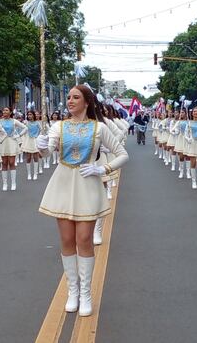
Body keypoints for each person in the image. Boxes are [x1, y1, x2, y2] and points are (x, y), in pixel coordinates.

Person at [35, 85, 129, 317]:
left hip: (87, 183)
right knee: (67, 240)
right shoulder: (59, 126)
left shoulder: (99, 128)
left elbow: (123, 154)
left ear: (87, 102)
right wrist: (41, 147)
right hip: (64, 183)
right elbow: (48, 151)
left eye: (75, 97)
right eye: (68, 97)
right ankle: (73, 292)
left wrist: (101, 168)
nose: (70, 101)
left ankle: (86, 294)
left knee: (84, 238)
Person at [0, 106, 27, 191]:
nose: (5, 112)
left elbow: (25, 127)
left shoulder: (14, 121)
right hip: (3, 142)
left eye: (6, 110)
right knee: (4, 163)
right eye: (3, 110)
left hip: (12, 142)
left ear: (10, 112)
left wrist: (19, 135)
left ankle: (13, 183)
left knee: (11, 162)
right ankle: (5, 183)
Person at [22, 111, 43, 181]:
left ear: (33, 115)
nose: (29, 116)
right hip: (28, 141)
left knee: (35, 157)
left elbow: (41, 130)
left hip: (35, 141)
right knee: (28, 158)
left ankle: (35, 173)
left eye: (30, 114)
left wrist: (38, 136)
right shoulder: (26, 122)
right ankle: (29, 174)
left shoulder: (37, 123)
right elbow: (23, 129)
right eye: (28, 115)